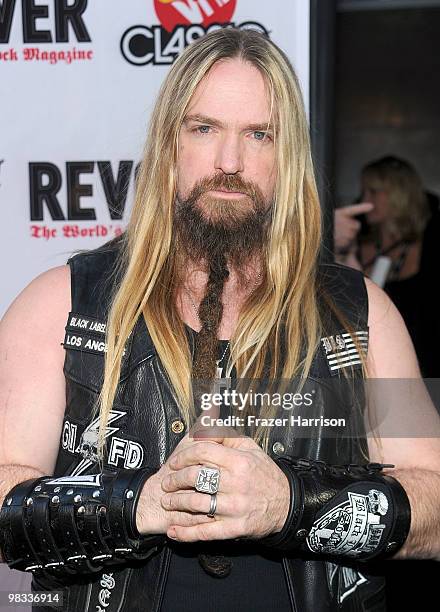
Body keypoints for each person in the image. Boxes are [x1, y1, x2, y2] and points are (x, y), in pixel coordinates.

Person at [0, 29, 439, 612]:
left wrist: (291, 504)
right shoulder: (64, 304)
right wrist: (140, 504)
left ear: (287, 157)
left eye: (259, 134)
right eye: (203, 128)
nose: (229, 162)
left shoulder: (356, 316)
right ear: (167, 144)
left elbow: (436, 498)